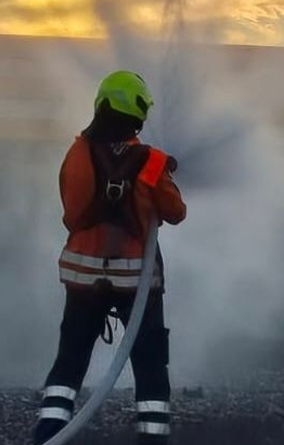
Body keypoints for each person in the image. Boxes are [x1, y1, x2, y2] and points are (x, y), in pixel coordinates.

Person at [33, 70, 187, 445]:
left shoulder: (77, 153)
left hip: (84, 280)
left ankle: (49, 433)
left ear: (101, 105)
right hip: (137, 283)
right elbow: (176, 212)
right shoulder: (151, 162)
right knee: (149, 365)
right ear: (138, 114)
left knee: (70, 359)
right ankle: (152, 437)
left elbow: (71, 213)